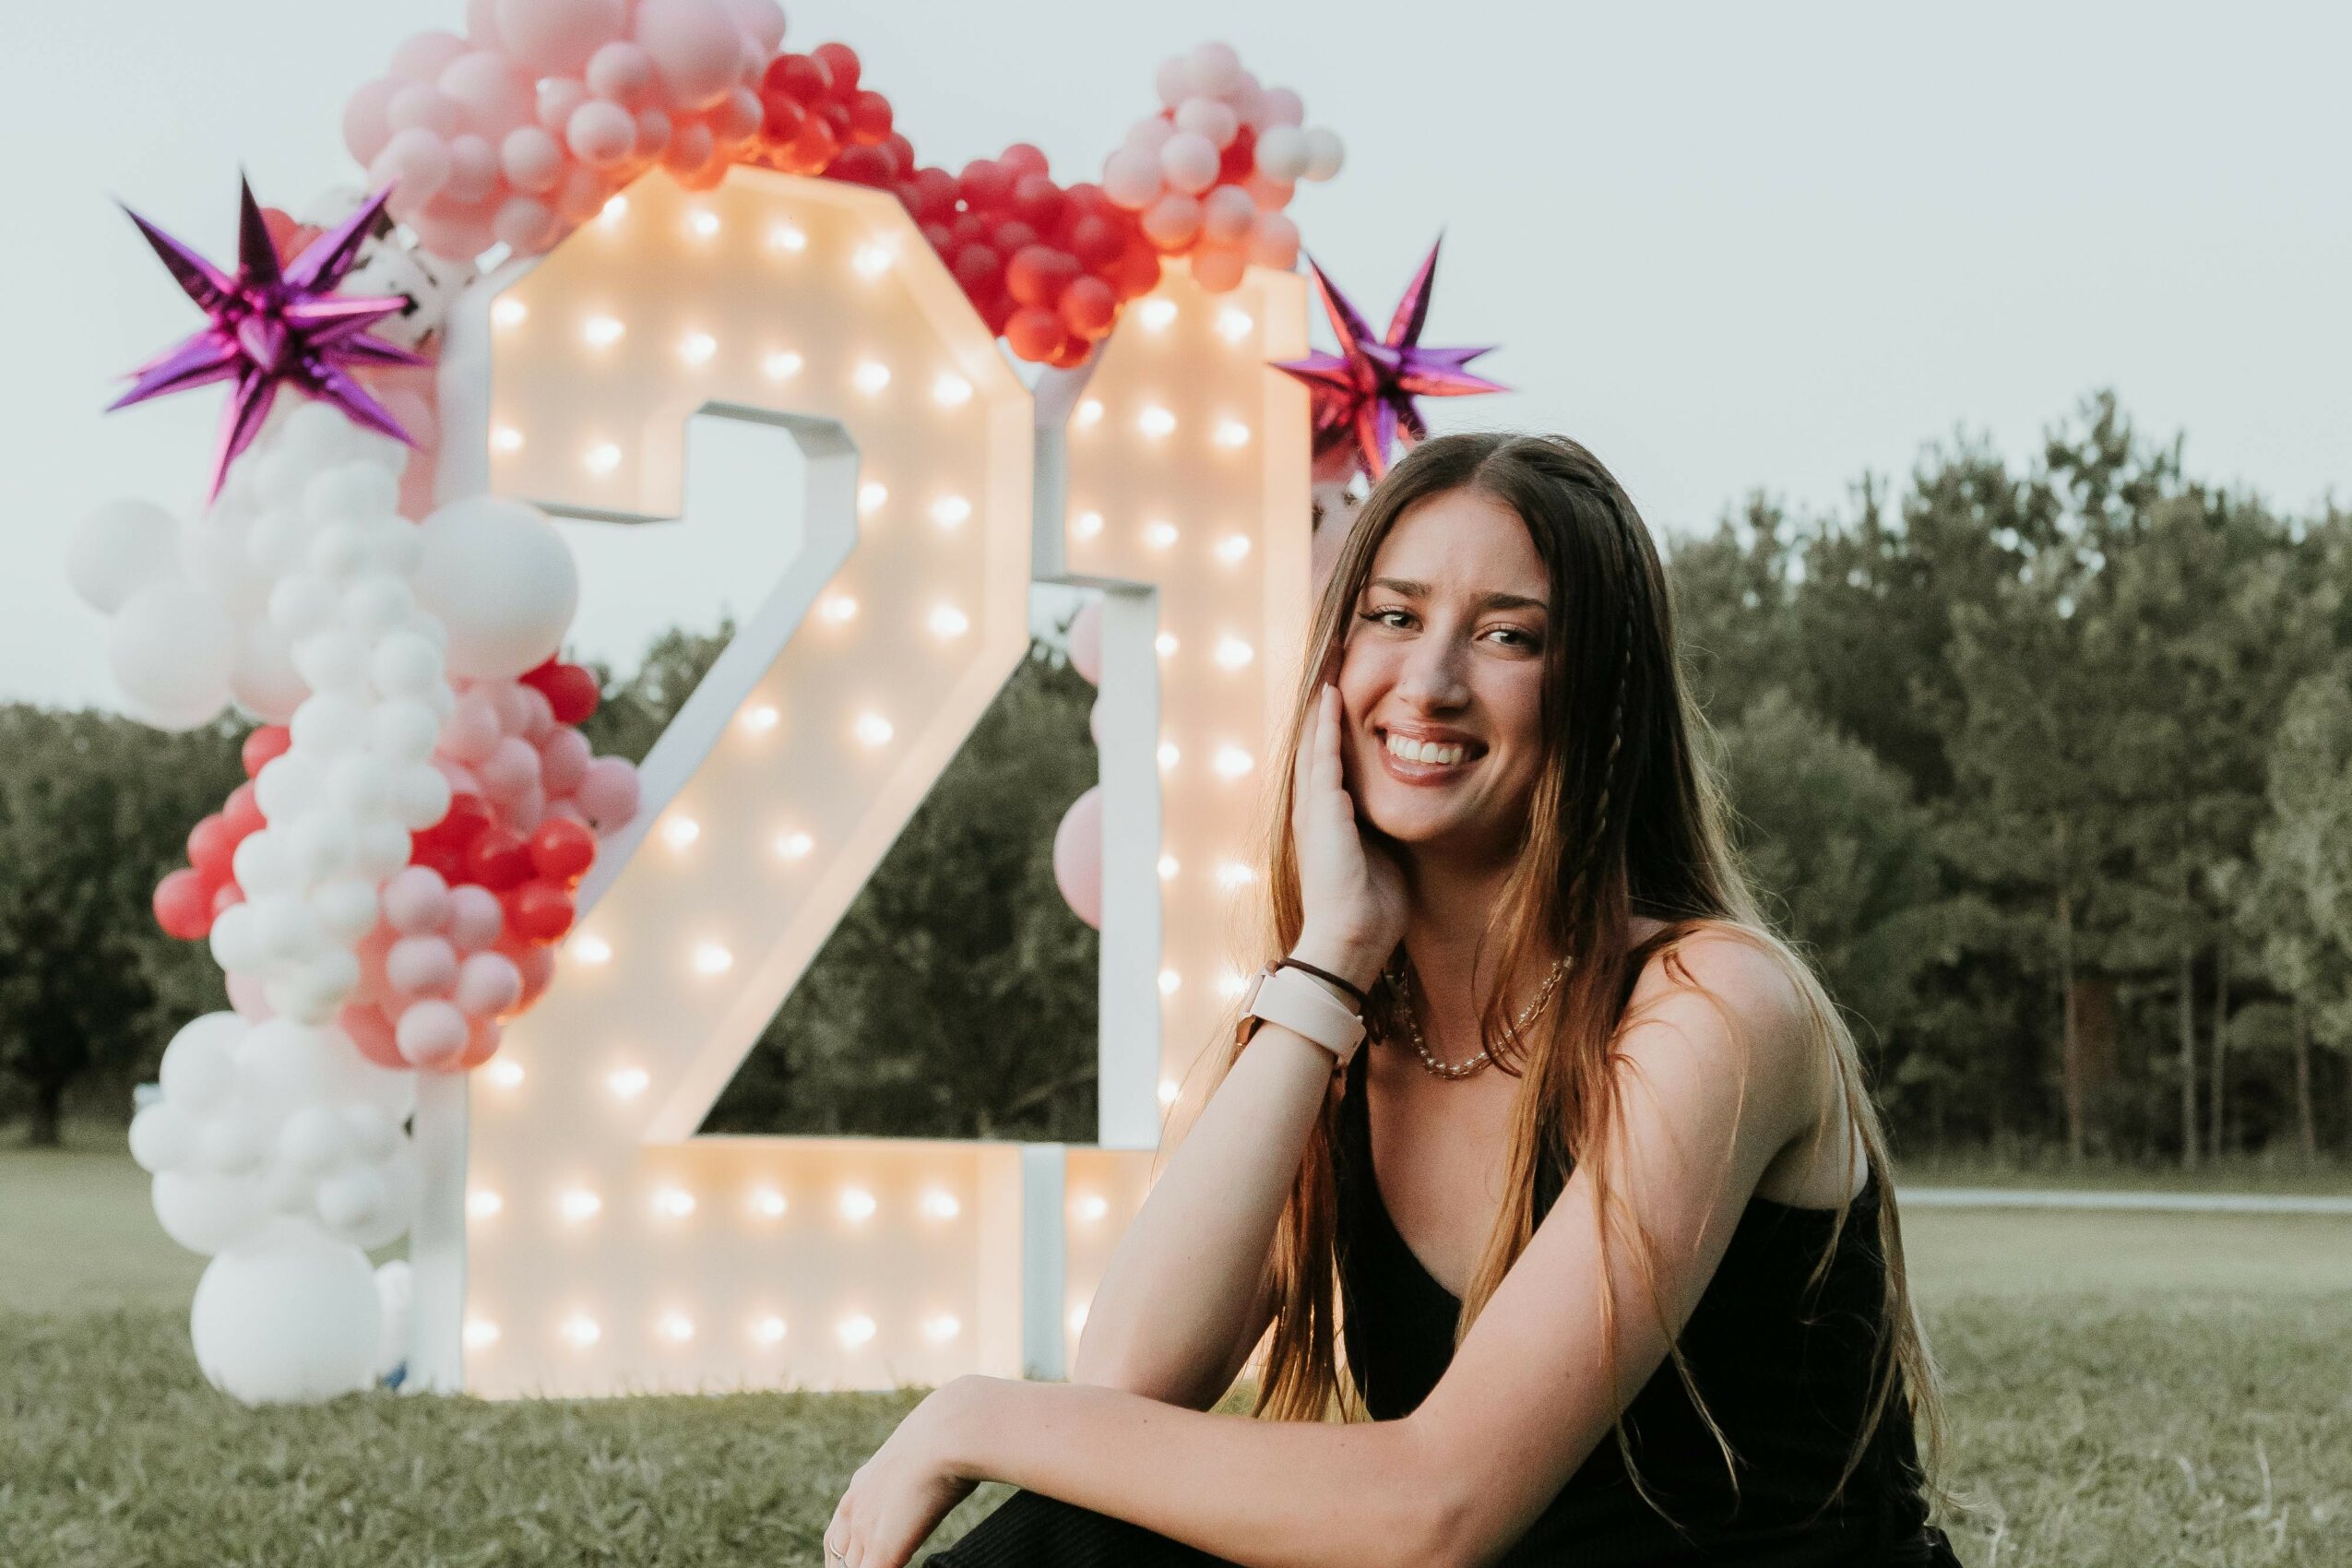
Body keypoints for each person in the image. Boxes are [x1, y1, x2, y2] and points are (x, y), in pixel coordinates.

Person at [823, 432, 1969, 1567]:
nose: (1430, 682)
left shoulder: (1712, 1005)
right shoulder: (1330, 1019)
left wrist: (975, 1413)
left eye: (1509, 634)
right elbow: (1130, 1381)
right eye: (1393, 616)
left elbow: (1438, 1509)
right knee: (1083, 1536)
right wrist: (1332, 957)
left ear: (1603, 697)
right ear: (1334, 657)